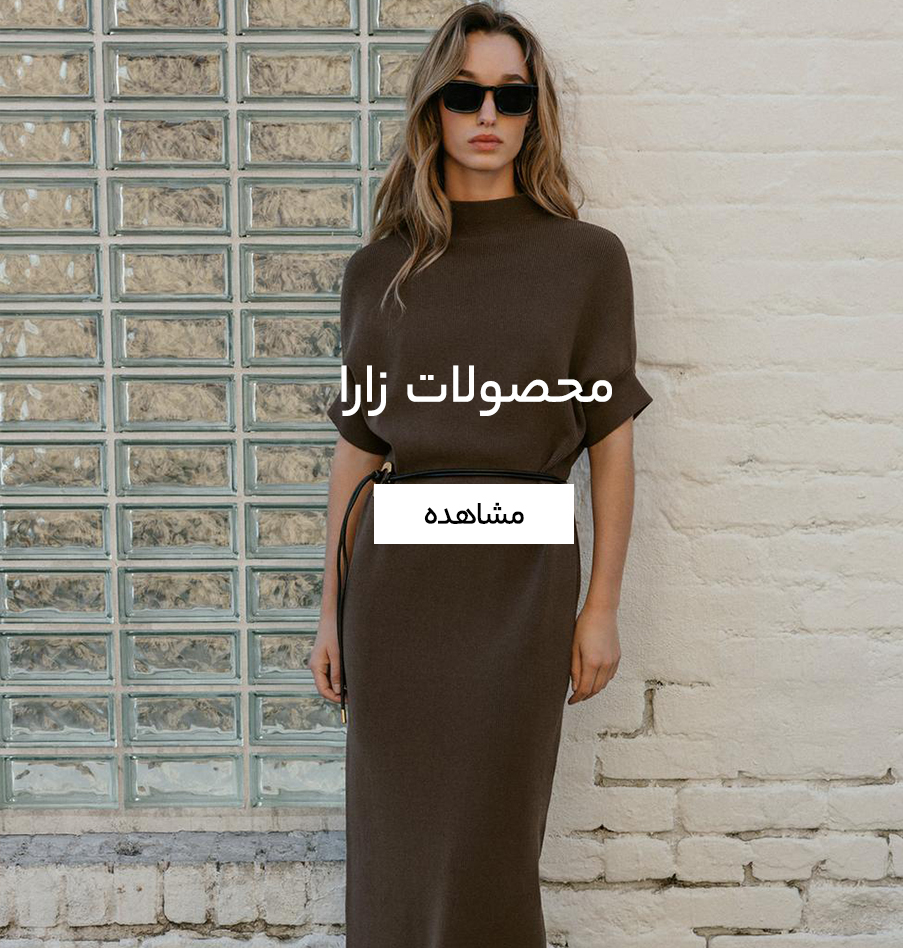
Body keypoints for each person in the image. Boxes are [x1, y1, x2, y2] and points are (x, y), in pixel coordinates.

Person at [308, 4, 653, 945]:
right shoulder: (380, 270)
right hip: (396, 596)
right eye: (465, 94)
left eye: (511, 95)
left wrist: (601, 606)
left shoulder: (587, 261)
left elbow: (611, 444)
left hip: (521, 584)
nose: (488, 114)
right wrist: (330, 611)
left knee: (494, 843)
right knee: (398, 845)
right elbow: (359, 449)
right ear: (434, 109)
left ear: (536, 113)